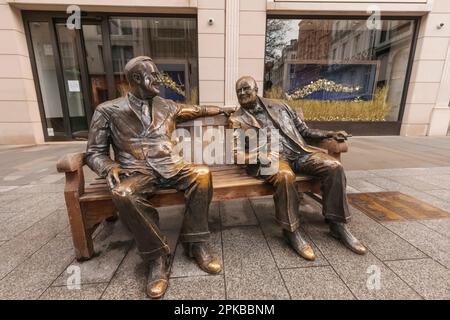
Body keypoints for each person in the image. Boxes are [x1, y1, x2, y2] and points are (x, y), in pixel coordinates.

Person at [86, 56, 228, 299]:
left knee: (202, 174)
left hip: (172, 166)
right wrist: (109, 167)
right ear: (137, 79)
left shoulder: (167, 105)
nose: (159, 79)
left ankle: (195, 243)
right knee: (123, 193)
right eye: (153, 75)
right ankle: (157, 256)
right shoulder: (108, 110)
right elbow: (93, 152)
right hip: (136, 170)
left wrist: (224, 110)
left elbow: (198, 109)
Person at [229, 76, 367, 261]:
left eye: (246, 89)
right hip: (271, 160)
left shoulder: (281, 106)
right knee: (285, 176)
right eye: (239, 91)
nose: (243, 93)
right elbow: (237, 155)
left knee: (334, 166)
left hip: (299, 153)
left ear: (256, 89)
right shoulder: (237, 119)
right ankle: (291, 231)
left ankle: (337, 224)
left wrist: (329, 134)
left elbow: (304, 132)